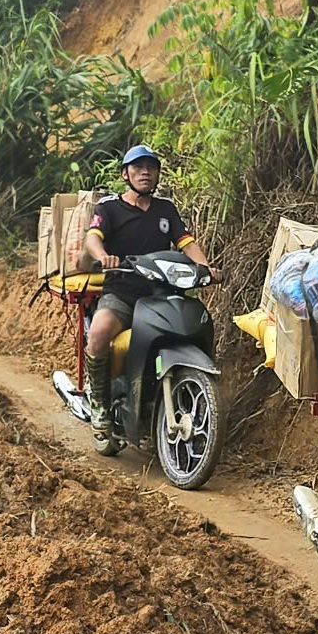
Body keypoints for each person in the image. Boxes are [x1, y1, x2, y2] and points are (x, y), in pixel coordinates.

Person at [81, 146, 216, 443]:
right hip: (123, 292)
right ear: (125, 174)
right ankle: (100, 406)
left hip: (159, 292)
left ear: (157, 174)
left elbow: (186, 242)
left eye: (151, 168)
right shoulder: (109, 208)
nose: (145, 172)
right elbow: (93, 237)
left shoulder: (165, 209)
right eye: (138, 167)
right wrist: (103, 255)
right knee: (100, 333)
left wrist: (206, 267)